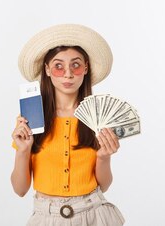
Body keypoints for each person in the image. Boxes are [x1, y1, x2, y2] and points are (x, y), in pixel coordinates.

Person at [11, 24, 125, 225]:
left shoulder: (96, 118)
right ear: (47, 69)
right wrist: (22, 151)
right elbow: (20, 190)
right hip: (46, 218)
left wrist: (104, 157)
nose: (68, 74)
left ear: (86, 68)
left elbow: (104, 186)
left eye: (76, 65)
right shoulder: (31, 119)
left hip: (94, 215)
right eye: (58, 66)